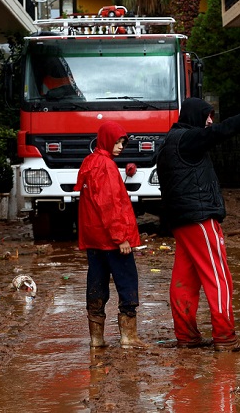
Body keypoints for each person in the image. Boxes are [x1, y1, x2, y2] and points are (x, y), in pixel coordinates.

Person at [156, 96, 240, 352]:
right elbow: (224, 130)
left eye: (211, 117)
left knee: (185, 278)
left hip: (180, 221)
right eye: (206, 115)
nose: (209, 121)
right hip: (200, 219)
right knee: (219, 277)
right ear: (195, 116)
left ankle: (186, 336)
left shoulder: (169, 142)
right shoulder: (189, 139)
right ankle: (225, 337)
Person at [75, 121, 145, 349]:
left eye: (122, 142)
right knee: (127, 284)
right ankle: (129, 337)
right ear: (106, 140)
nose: (120, 146)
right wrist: (121, 237)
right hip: (112, 241)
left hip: (94, 240)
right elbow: (109, 206)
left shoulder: (89, 162)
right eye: (116, 141)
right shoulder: (106, 166)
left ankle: (96, 339)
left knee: (96, 286)